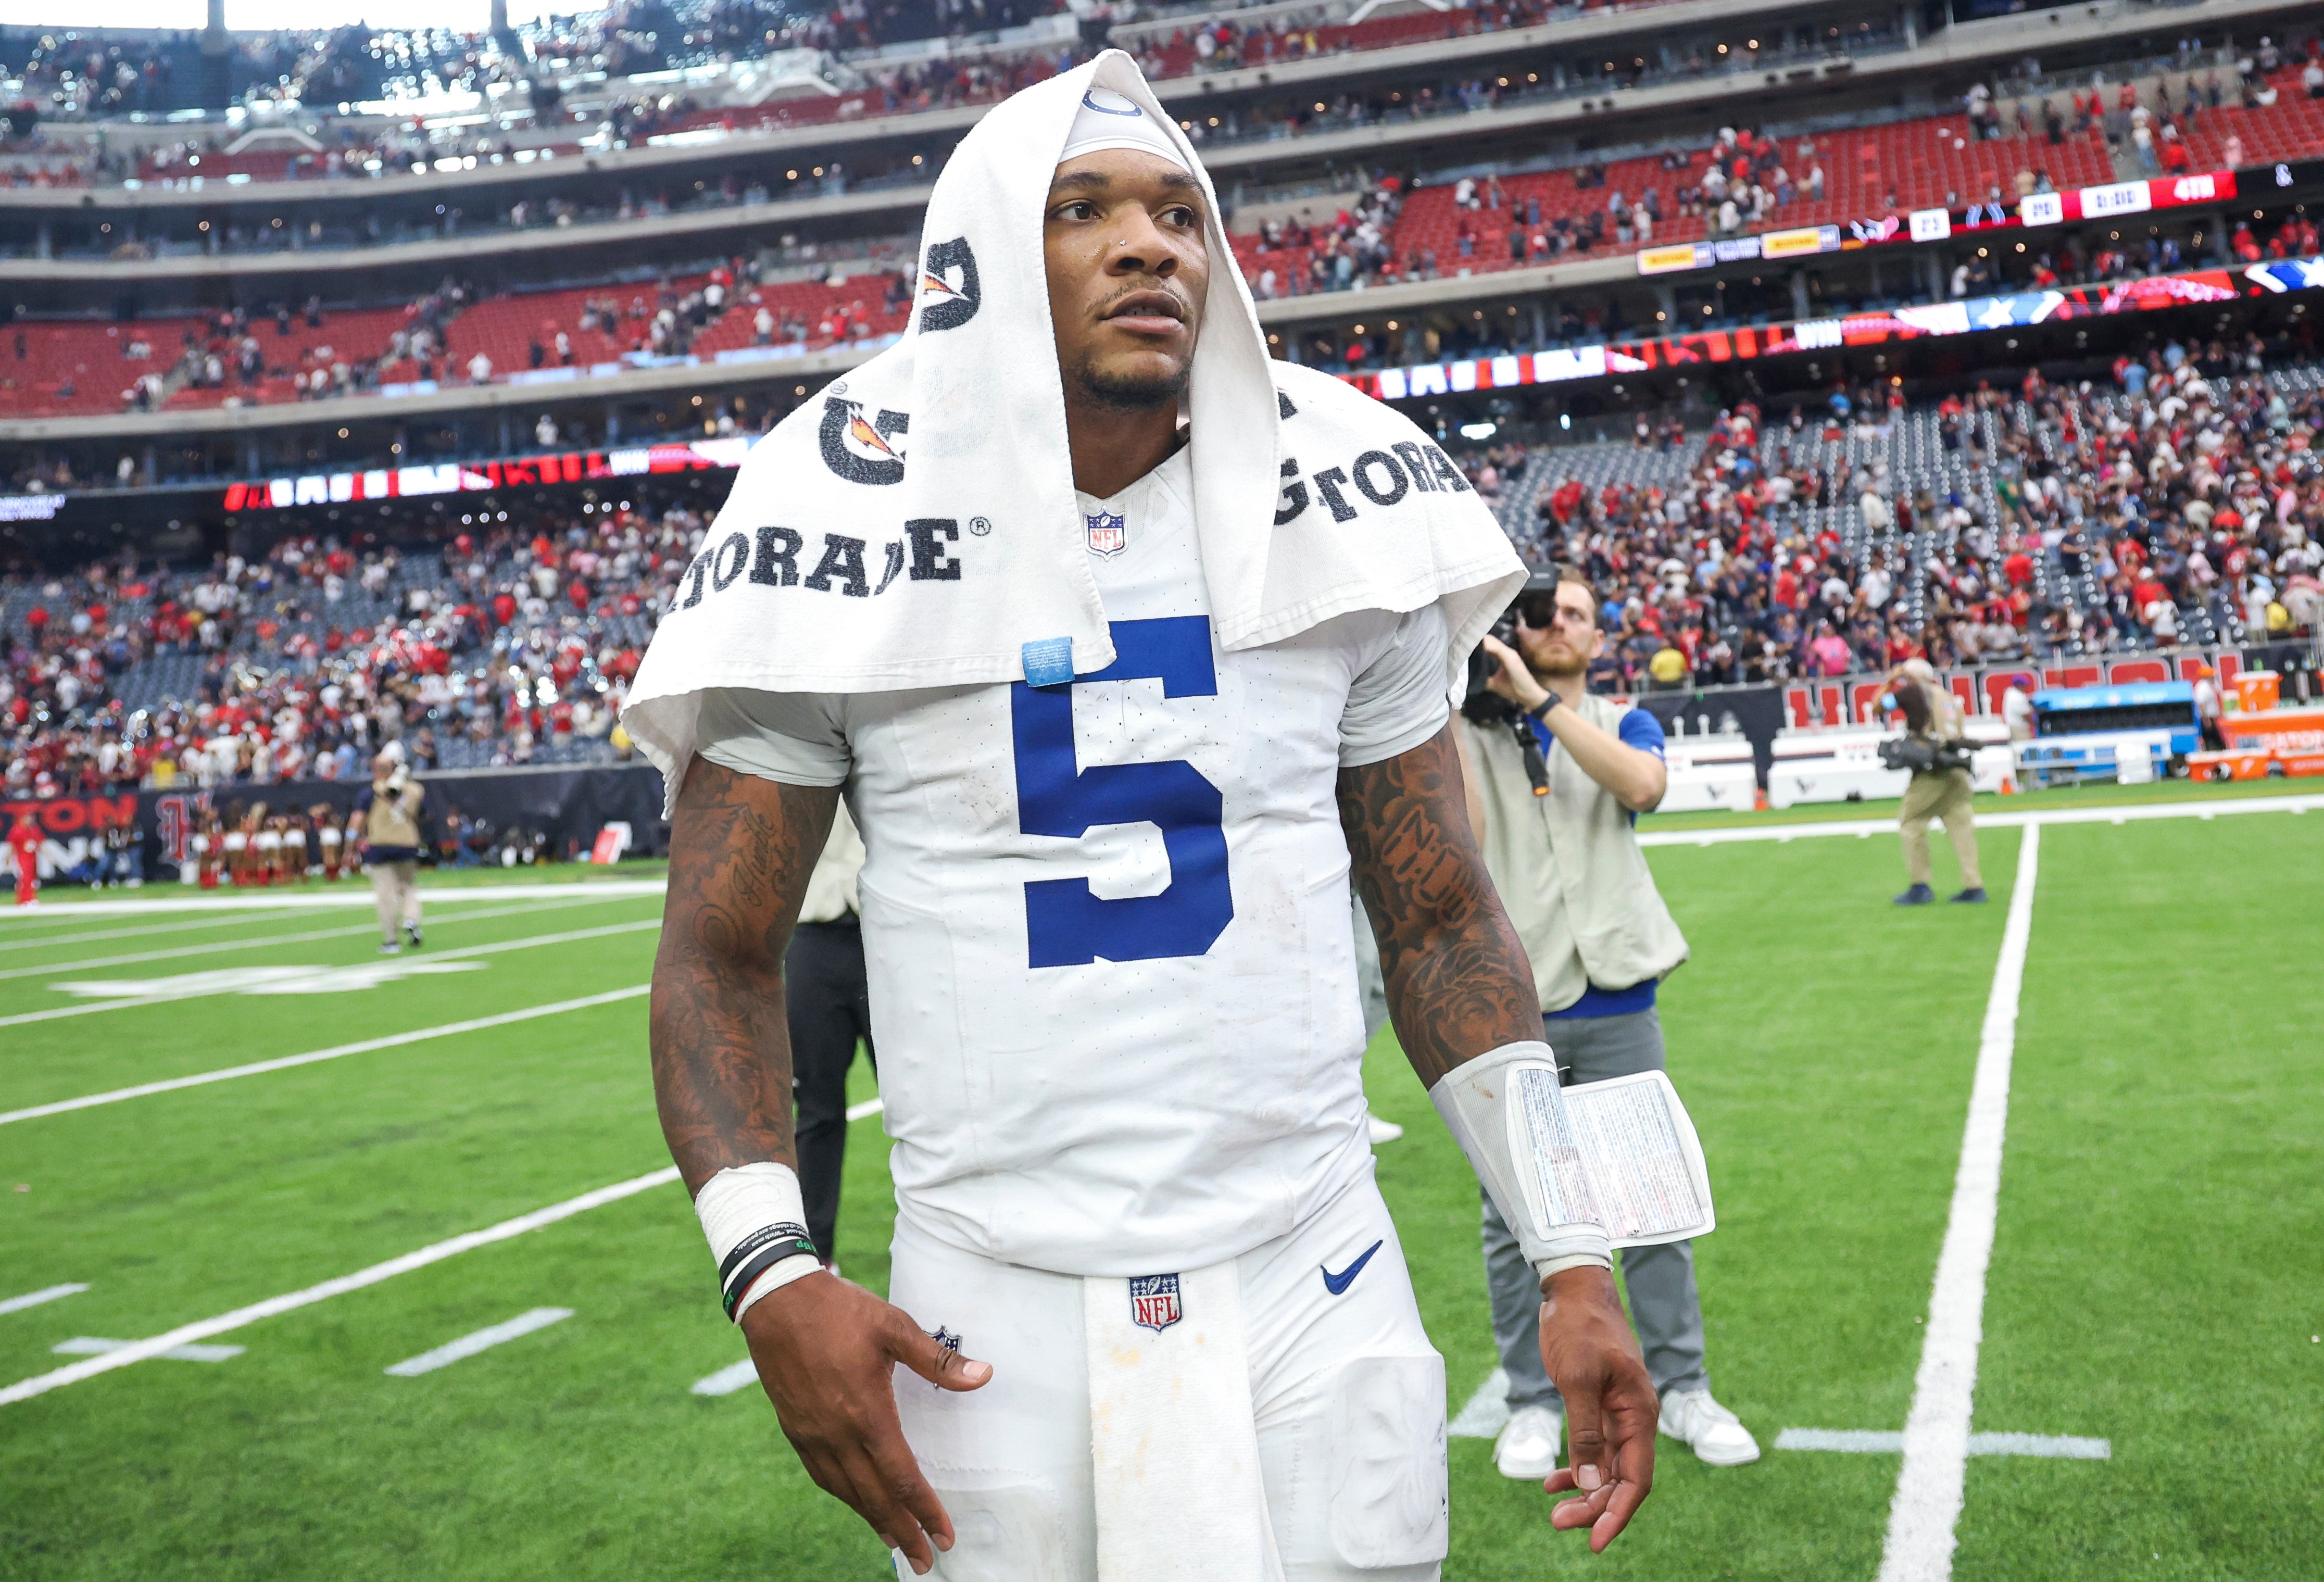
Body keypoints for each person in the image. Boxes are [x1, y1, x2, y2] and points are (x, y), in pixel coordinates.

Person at [628, 57, 1659, 1581]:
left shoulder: (1339, 483)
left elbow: (1440, 913)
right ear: (978, 249)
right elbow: (716, 952)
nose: (1149, 244)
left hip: (1310, 1254)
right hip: (991, 1289)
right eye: (1083, 209)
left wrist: (1568, 1247)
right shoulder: (837, 498)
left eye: (1181, 211)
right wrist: (768, 1266)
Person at [1454, 569, 1760, 1479]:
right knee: (1517, 1219)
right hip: (1513, 1010)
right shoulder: (1464, 734)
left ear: (1597, 638)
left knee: (1649, 1204)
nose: (1559, 623)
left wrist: (1541, 703)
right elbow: (1461, 836)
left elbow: (1643, 786)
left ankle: (1684, 1386)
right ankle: (1530, 1400)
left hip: (1618, 994)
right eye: (1542, 613)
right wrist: (1463, 693)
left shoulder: (1621, 719)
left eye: (1577, 615)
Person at [785, 800, 877, 1268]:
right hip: (811, 931)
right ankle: (815, 1257)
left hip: (887, 930)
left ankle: (957, 1239)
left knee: (921, 1105)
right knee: (816, 1109)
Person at [1888, 659, 1984, 905]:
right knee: (1961, 825)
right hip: (1956, 767)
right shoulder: (1950, 699)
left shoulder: (1918, 694)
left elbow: (1883, 704)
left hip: (1933, 770)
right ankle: (1974, 885)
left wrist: (1893, 679)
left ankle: (1920, 886)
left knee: (1911, 823)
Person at [354, 752, 426, 953]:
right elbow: (423, 815)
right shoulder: (414, 790)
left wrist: (351, 841)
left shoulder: (371, 792)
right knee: (408, 888)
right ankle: (411, 919)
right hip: (406, 842)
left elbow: (358, 819)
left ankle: (391, 939)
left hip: (380, 843)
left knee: (385, 892)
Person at [7, 811, 41, 908]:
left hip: (32, 858)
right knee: (24, 879)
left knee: (32, 879)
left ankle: (31, 897)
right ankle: (24, 900)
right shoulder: (17, 830)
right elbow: (11, 845)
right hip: (21, 859)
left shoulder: (33, 830)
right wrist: (8, 859)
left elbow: (39, 842)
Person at [2193, 663, 2225, 751]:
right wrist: (2206, 719)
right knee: (2212, 738)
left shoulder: (2212, 685)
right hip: (2207, 718)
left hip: (2212, 717)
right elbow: (2201, 704)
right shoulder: (2203, 687)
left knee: (2214, 737)